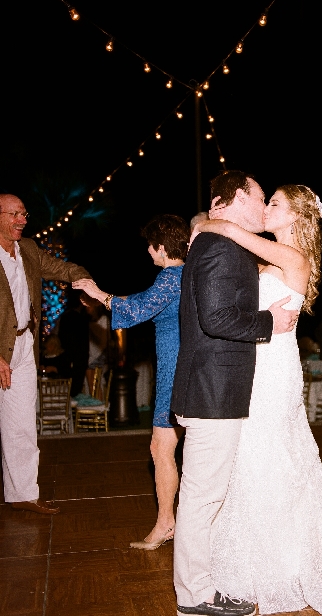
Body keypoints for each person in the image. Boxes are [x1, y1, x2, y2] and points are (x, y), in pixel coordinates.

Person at [193, 183, 322, 616]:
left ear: (296, 216)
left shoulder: (293, 257)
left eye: (273, 203)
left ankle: (278, 567)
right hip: (257, 367)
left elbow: (234, 235)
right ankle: (251, 557)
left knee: (267, 459)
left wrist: (212, 221)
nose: (266, 209)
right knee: (258, 460)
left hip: (273, 373)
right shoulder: (271, 256)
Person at [170, 171, 300, 616]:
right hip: (212, 391)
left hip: (214, 389)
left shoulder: (222, 242)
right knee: (202, 496)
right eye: (260, 197)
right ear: (233, 199)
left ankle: (200, 587)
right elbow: (218, 318)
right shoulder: (221, 247)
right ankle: (196, 595)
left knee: (206, 494)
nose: (264, 207)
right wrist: (270, 323)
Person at [73, 214, 190, 549]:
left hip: (174, 372)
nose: (148, 252)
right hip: (190, 369)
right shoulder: (192, 273)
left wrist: (98, 293)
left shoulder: (171, 277)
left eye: (151, 245)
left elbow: (138, 309)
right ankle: (178, 523)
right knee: (184, 449)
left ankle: (167, 523)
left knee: (161, 447)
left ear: (162, 246)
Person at [0, 192, 91, 515]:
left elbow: (61, 268)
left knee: (21, 422)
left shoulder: (27, 250)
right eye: (13, 214)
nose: (21, 220)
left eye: (24, 214)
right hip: (0, 348)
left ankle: (22, 493)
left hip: (25, 345)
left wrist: (85, 280)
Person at [58, 289, 90, 396]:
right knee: (74, 389)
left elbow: (61, 337)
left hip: (70, 357)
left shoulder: (66, 317)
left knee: (71, 389)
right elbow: (83, 342)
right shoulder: (80, 319)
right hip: (77, 359)